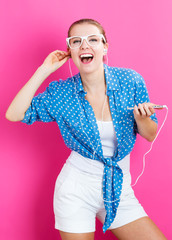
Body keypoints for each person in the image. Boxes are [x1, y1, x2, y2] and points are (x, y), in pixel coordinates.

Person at [6, 18, 167, 240]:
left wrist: (141, 119)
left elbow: (150, 135)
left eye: (92, 39)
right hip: (76, 190)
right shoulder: (61, 93)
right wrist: (44, 70)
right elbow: (14, 114)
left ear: (104, 46)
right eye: (76, 41)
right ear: (69, 50)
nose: (85, 46)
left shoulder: (131, 81)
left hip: (119, 189)